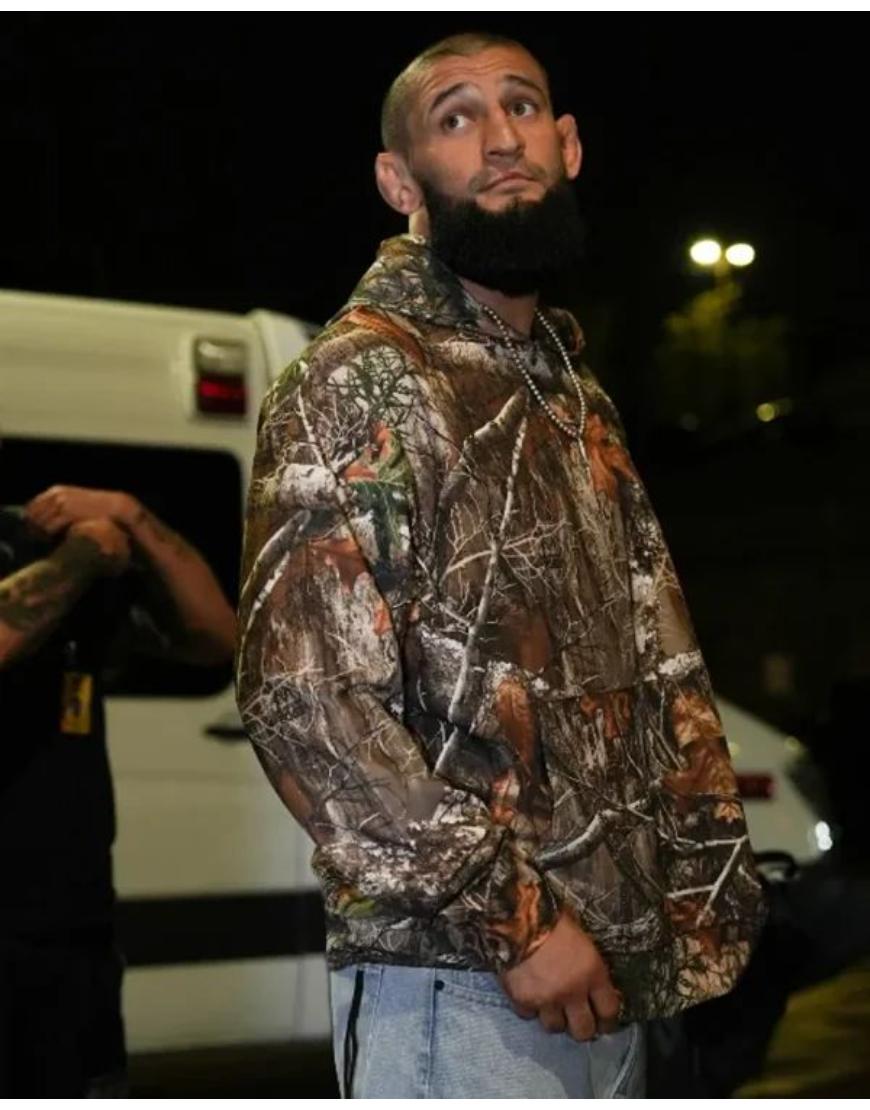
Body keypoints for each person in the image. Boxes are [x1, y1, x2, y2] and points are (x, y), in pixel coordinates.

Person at [235, 32, 767, 1099]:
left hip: (604, 975)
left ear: (568, 145)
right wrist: (516, 922)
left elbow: (653, 668)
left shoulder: (564, 386)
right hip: (464, 982)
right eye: (456, 118)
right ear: (400, 182)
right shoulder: (362, 375)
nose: (500, 137)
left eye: (521, 108)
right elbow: (305, 700)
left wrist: (690, 911)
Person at [0, 485, 236, 1096]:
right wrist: (84, 554)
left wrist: (130, 513)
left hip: (73, 932)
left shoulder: (30, 545)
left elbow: (217, 634)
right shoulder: (67, 559)